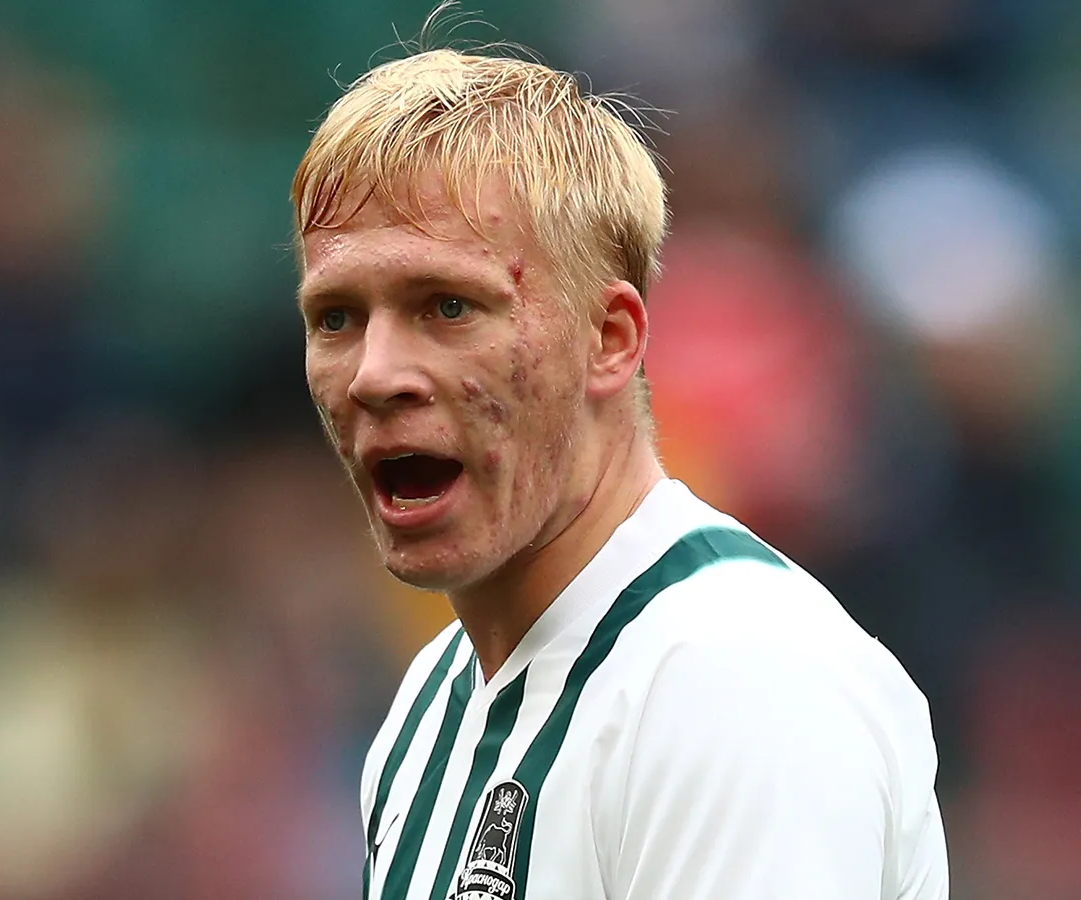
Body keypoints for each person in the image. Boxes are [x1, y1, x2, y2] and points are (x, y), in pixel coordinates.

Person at [291, 47, 949, 900]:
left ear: (610, 340)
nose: (374, 375)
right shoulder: (429, 704)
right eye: (336, 318)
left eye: (449, 306)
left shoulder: (737, 680)